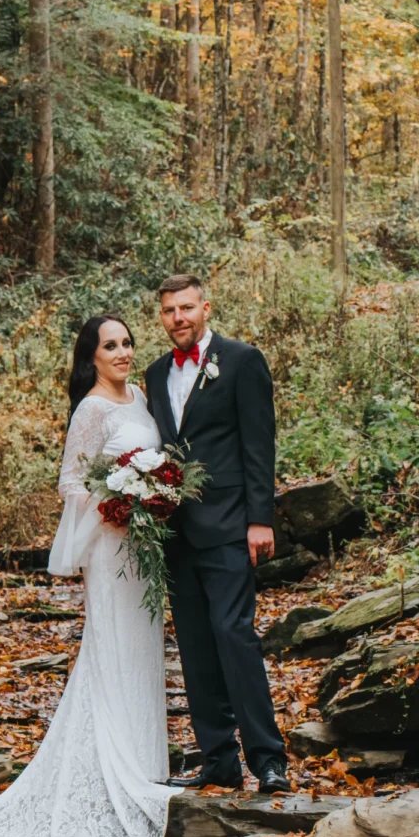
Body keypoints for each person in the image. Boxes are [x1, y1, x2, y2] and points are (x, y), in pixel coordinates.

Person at [0, 315, 176, 837]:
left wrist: (156, 492)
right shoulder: (92, 409)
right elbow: (71, 482)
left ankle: (144, 766)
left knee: (143, 651)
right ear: (91, 357)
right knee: (111, 648)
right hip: (110, 548)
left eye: (126, 343)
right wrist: (117, 505)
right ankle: (105, 773)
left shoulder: (140, 397)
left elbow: (152, 464)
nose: (122, 353)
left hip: (142, 551)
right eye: (110, 346)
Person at [144, 274, 290, 794]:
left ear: (205, 308)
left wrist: (260, 518)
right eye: (169, 311)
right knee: (196, 645)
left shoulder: (242, 360)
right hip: (174, 532)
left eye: (186, 308)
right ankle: (219, 760)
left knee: (234, 637)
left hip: (230, 525)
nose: (178, 318)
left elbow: (259, 443)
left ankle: (268, 759)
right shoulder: (155, 373)